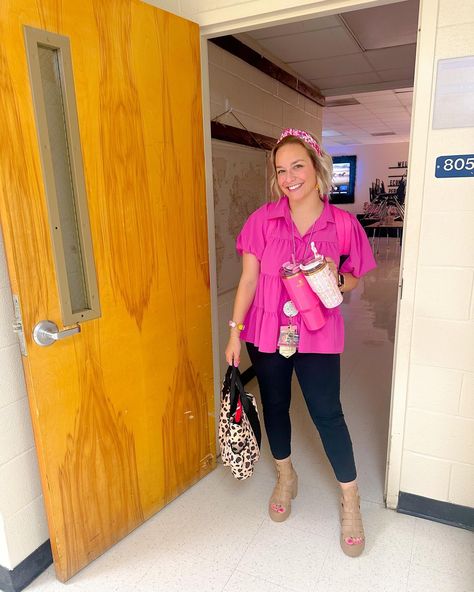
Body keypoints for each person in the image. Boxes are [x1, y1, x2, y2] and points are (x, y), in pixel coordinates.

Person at [225, 128, 376, 558]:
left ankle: (351, 500)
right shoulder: (261, 221)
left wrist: (335, 278)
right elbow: (249, 279)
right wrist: (235, 332)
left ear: (316, 168)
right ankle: (286, 476)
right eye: (281, 171)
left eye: (298, 166)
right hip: (267, 330)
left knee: (328, 414)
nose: (290, 177)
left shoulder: (342, 224)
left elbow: (354, 277)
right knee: (274, 405)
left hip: (318, 331)